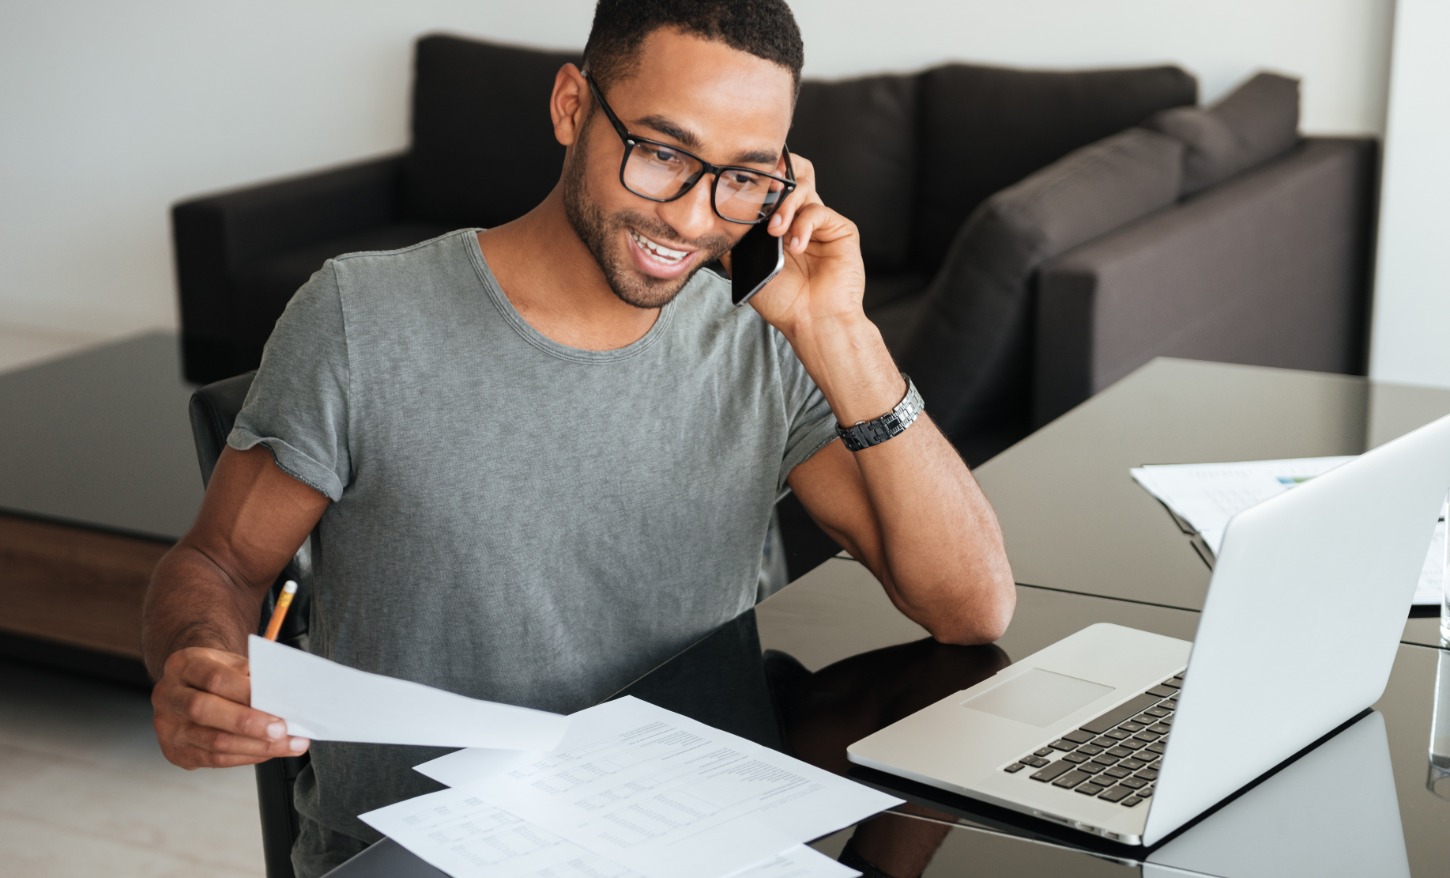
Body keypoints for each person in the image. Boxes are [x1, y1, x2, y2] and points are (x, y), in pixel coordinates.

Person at [142, 1, 1016, 874]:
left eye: (744, 177)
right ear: (570, 106)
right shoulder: (360, 318)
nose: (691, 217)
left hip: (690, 835)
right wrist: (198, 659)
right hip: (424, 851)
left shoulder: (762, 336)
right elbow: (219, 564)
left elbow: (970, 608)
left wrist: (841, 333)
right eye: (663, 154)